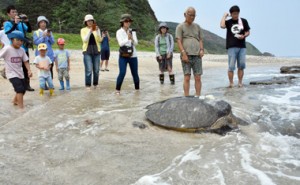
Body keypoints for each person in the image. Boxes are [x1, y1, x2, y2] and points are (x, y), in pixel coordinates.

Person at [4, 5, 34, 91]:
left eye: (16, 12)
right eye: (13, 12)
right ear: (8, 14)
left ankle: (27, 85)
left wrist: (27, 21)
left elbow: (29, 30)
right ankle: (18, 84)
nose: (15, 14)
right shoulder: (7, 23)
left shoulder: (21, 23)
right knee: (16, 67)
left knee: (26, 66)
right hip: (14, 48)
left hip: (24, 47)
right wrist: (15, 24)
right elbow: (8, 33)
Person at [176, 7, 204, 97]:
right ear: (185, 15)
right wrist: (183, 53)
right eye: (190, 15)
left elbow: (200, 39)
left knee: (198, 77)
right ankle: (186, 96)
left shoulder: (197, 26)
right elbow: (179, 40)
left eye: (194, 15)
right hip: (186, 55)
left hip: (197, 55)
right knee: (187, 77)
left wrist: (202, 50)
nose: (192, 17)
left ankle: (198, 96)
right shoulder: (180, 26)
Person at [0, 30, 33, 108]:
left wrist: (29, 70)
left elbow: (25, 61)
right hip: (11, 73)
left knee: (23, 89)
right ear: (12, 39)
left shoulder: (22, 50)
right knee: (19, 89)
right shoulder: (7, 49)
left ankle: (15, 101)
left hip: (20, 73)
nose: (19, 42)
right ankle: (21, 108)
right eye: (17, 40)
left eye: (21, 40)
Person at [220, 5, 250, 88]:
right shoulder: (229, 22)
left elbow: (248, 31)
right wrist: (224, 16)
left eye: (237, 13)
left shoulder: (243, 21)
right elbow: (222, 26)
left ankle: (240, 83)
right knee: (231, 66)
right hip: (231, 46)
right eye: (233, 14)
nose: (235, 15)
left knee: (241, 66)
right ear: (231, 14)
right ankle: (231, 83)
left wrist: (244, 36)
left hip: (242, 46)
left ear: (239, 13)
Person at [115, 14, 140, 95]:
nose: (128, 22)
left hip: (133, 55)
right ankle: (117, 90)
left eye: (129, 21)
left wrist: (132, 38)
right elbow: (120, 44)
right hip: (123, 55)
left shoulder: (133, 31)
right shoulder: (119, 32)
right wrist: (127, 38)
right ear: (122, 22)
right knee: (122, 72)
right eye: (126, 21)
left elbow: (136, 43)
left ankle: (137, 90)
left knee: (135, 73)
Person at [80, 14, 102, 90]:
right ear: (85, 22)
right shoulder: (83, 30)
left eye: (91, 21)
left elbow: (100, 40)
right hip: (87, 51)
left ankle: (95, 84)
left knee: (96, 70)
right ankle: (88, 85)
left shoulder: (97, 29)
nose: (89, 22)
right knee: (89, 69)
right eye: (88, 21)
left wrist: (98, 31)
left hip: (96, 50)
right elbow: (84, 40)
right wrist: (90, 31)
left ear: (93, 21)